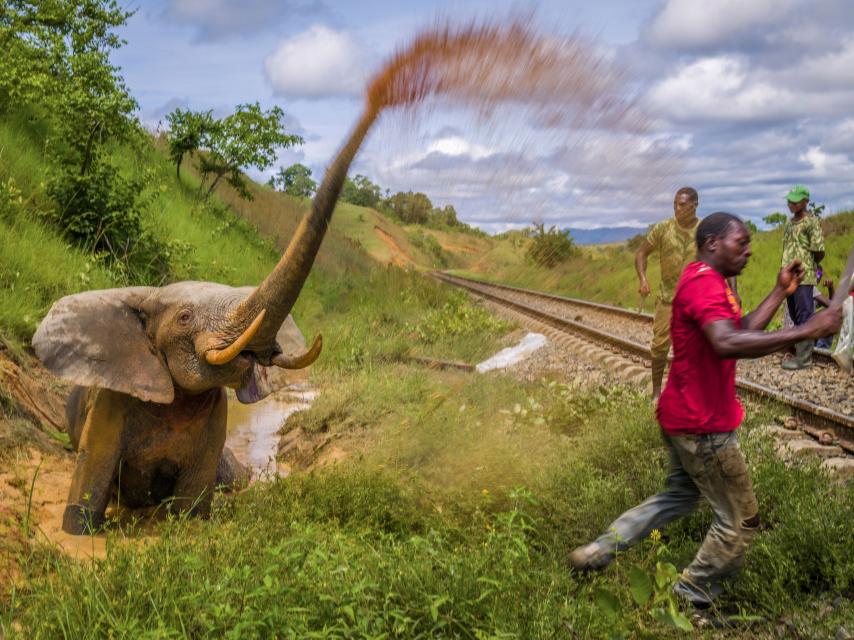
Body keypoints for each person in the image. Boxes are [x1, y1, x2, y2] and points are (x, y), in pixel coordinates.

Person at [569, 212, 842, 609]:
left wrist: (781, 292)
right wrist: (808, 330)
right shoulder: (702, 283)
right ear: (713, 243)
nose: (748, 251)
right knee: (740, 520)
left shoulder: (710, 282)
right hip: (703, 427)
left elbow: (740, 329)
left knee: (677, 497)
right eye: (741, 243)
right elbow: (726, 343)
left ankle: (598, 549)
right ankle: (691, 596)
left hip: (683, 416)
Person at [635, 187, 700, 400]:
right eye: (675, 204)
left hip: (694, 300)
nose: (677, 208)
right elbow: (642, 253)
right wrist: (643, 278)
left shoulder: (704, 230)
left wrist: (731, 290)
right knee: (660, 346)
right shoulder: (663, 228)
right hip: (667, 299)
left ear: (694, 206)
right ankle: (656, 393)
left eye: (682, 205)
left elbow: (722, 258)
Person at [780, 185, 825, 369]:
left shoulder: (811, 222)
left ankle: (805, 359)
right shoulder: (789, 223)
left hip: (803, 277)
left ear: (806, 201)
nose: (791, 203)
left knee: (805, 315)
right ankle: (800, 353)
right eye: (790, 200)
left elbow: (819, 250)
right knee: (794, 314)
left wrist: (809, 265)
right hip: (788, 276)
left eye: (796, 200)